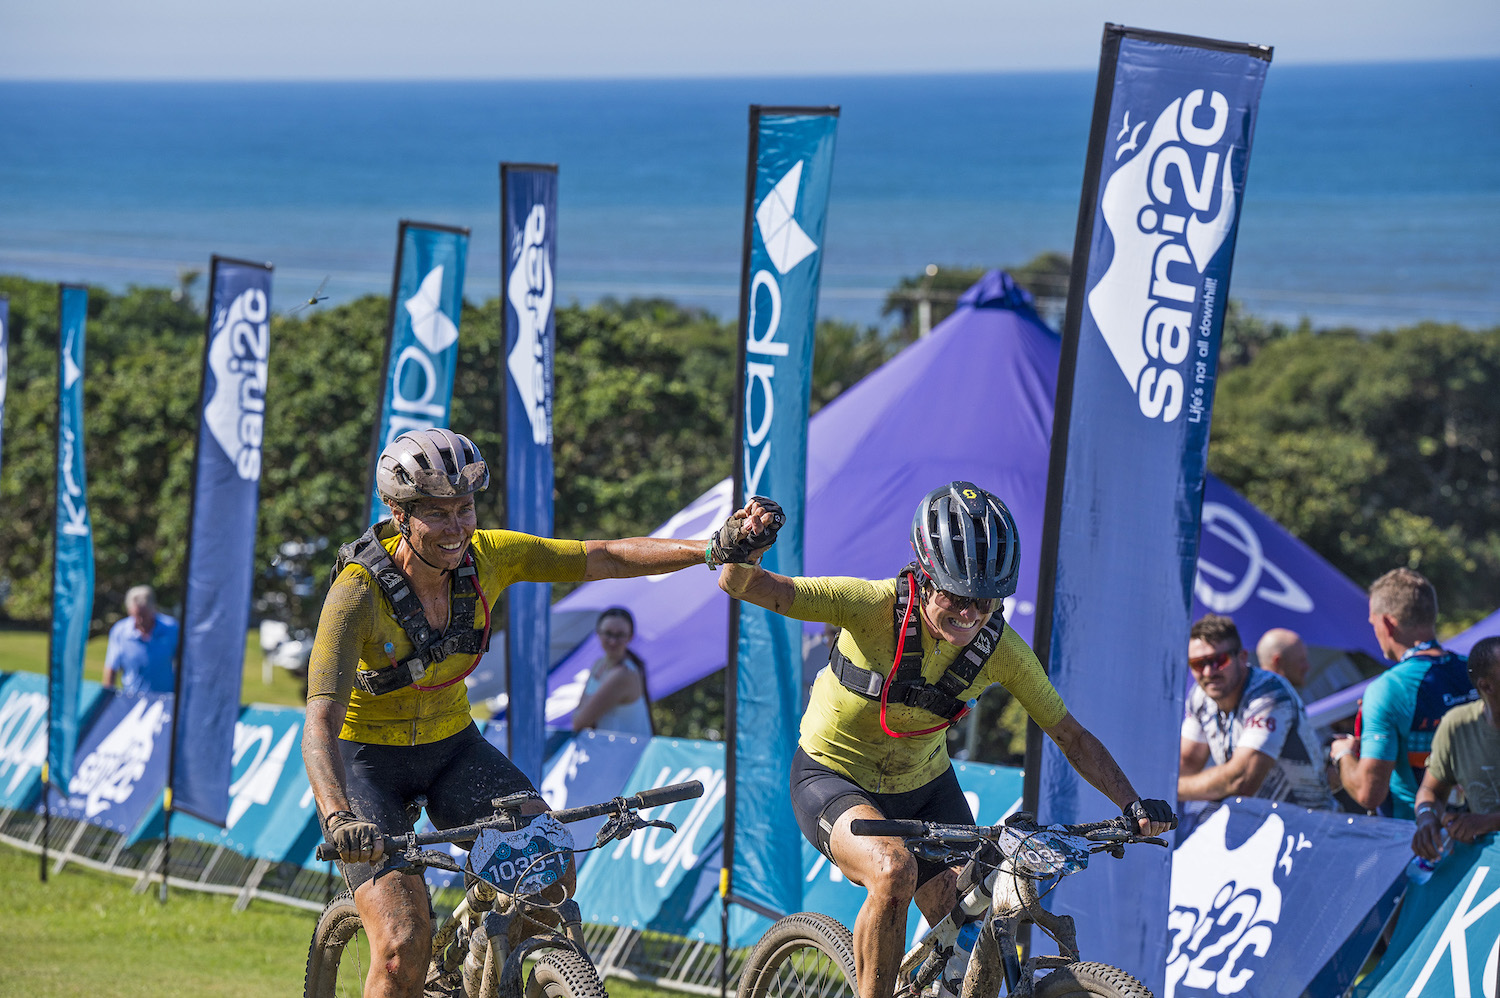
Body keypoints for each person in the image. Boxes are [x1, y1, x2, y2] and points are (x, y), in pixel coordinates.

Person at [302, 428, 780, 998]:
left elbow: (602, 557)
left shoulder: (489, 555)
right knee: (403, 944)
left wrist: (711, 549)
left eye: (465, 509)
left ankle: (476, 968)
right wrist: (339, 819)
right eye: (436, 513)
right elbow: (319, 723)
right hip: (366, 762)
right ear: (400, 515)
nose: (456, 528)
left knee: (549, 876)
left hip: (452, 747)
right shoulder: (357, 593)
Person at [717, 482, 1175, 998]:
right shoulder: (869, 605)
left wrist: (1132, 805)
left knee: (975, 909)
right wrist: (742, 546)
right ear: (925, 577)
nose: (970, 613)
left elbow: (1069, 735)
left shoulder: (1002, 650)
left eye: (985, 600)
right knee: (893, 871)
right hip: (832, 776)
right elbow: (747, 586)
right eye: (957, 596)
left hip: (925, 787)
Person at [1333, 568, 1478, 818]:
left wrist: (1342, 753)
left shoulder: (1388, 689)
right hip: (1485, 832)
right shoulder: (1478, 670)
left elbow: (1369, 793)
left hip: (1419, 835)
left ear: (1387, 624)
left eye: (1373, 623)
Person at [1178, 614, 1334, 809]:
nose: (1209, 672)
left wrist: (1173, 788)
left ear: (1242, 658)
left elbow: (1241, 780)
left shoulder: (1270, 692)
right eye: (1198, 664)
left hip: (1307, 818)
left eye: (1219, 660)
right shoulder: (1200, 695)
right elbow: (1186, 763)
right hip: (1252, 818)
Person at [1411, 637, 1500, 862]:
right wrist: (1427, 818)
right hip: (1489, 864)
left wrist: (1490, 821)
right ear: (1486, 686)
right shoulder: (1457, 725)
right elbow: (1429, 791)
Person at [570, 606, 653, 737]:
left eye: (620, 635)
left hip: (624, 749)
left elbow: (579, 722)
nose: (613, 641)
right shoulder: (599, 664)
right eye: (608, 633)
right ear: (598, 633)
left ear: (630, 637)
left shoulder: (623, 675)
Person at [101, 585, 179, 694]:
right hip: (132, 697)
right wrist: (107, 695)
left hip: (165, 697)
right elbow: (111, 667)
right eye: (137, 615)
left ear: (153, 609)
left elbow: (185, 664)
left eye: (144, 615)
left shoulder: (171, 628)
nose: (141, 620)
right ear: (129, 611)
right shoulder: (120, 631)